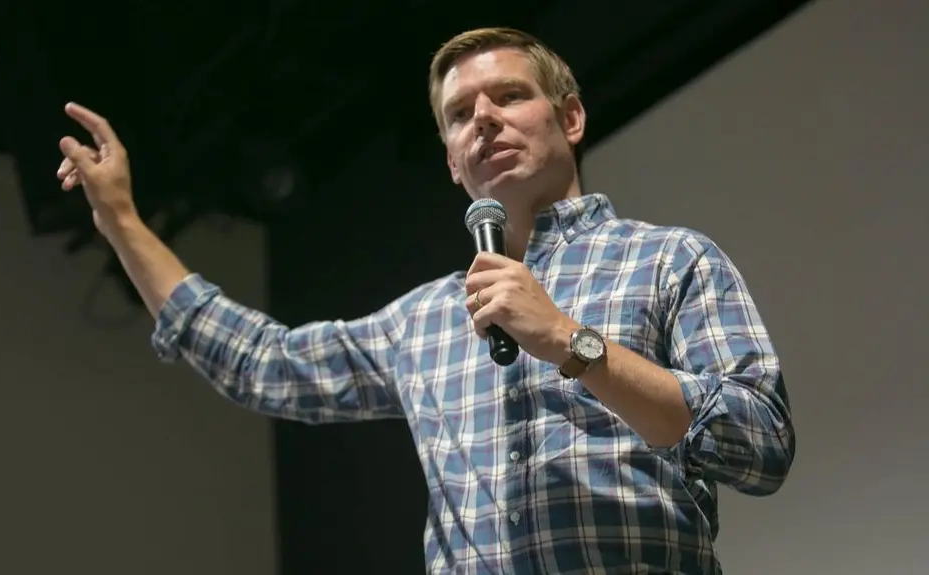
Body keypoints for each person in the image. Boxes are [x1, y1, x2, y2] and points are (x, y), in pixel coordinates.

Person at [55, 26, 795, 575]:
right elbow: (263, 362)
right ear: (450, 160)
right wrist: (121, 221)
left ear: (569, 118)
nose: (486, 119)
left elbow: (760, 445)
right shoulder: (423, 319)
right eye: (461, 114)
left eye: (509, 95)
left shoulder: (670, 259)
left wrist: (574, 341)